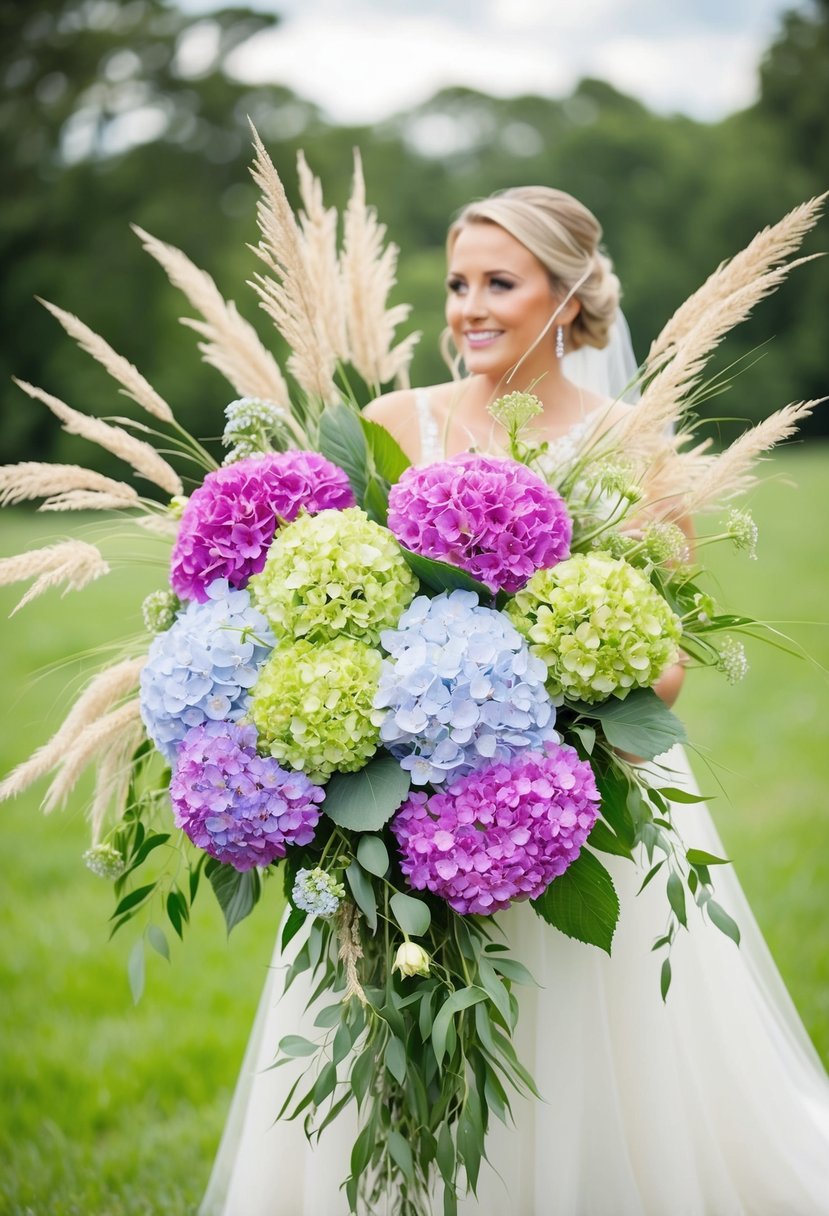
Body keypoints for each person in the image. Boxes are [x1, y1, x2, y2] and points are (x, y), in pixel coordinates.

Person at [200, 187, 829, 1215]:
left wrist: (549, 656)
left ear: (569, 293)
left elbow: (663, 666)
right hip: (399, 801)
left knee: (575, 1045)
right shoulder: (392, 426)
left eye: (500, 281)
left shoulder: (631, 442)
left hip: (565, 799)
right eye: (458, 284)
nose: (470, 306)